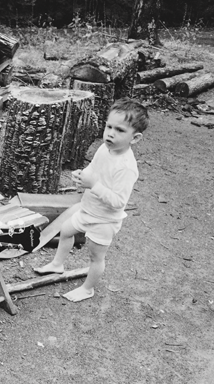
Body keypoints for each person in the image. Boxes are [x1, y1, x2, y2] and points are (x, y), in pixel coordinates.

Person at [34, 98, 149, 302]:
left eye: (120, 130)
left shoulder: (126, 167)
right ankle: (57, 264)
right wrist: (82, 175)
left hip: (104, 220)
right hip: (87, 209)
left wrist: (94, 185)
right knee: (66, 231)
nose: (111, 133)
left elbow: (118, 202)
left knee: (96, 256)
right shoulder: (104, 149)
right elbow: (93, 169)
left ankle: (88, 288)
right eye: (109, 126)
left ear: (135, 138)